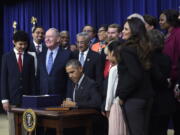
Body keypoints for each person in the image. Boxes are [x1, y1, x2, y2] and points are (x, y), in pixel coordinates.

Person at [116, 17, 154, 135]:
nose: (122, 31)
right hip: (147, 96)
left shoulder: (126, 50)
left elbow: (135, 76)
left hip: (133, 99)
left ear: (134, 31)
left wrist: (121, 96)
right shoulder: (146, 47)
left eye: (126, 29)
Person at [1, 30, 35, 135]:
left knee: (27, 126)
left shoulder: (30, 58)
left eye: (25, 44)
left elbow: (32, 80)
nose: (22, 46)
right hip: (12, 99)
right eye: (20, 44)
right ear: (13, 42)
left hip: (27, 99)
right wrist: (4, 99)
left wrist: (33, 98)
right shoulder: (6, 57)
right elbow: (3, 79)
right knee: (13, 126)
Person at [147, 29, 176, 135]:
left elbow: (157, 79)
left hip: (154, 103)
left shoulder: (149, 58)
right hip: (166, 102)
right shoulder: (166, 58)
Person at [159, 9, 180, 135]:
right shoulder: (167, 34)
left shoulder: (178, 34)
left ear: (170, 20)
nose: (160, 22)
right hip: (168, 83)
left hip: (176, 82)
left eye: (162, 20)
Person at [37, 28, 72, 101]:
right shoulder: (40, 55)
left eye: (50, 37)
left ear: (58, 39)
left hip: (61, 99)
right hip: (42, 98)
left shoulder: (67, 55)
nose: (47, 39)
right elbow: (38, 78)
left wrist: (69, 96)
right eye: (46, 37)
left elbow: (70, 79)